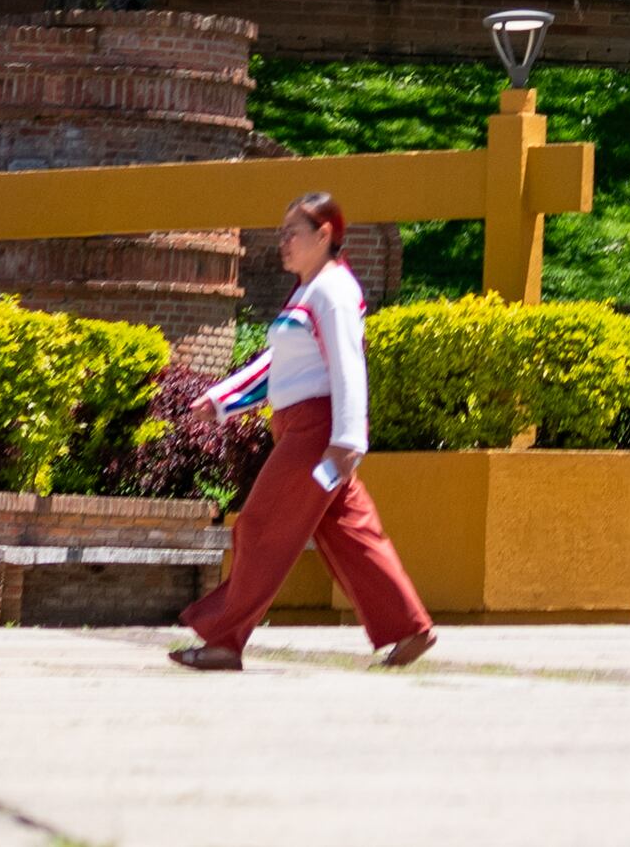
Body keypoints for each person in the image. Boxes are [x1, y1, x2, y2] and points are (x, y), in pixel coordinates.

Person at [171, 191, 434, 669]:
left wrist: (347, 441)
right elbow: (282, 363)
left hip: (316, 434)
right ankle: (409, 627)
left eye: (293, 232)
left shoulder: (332, 290)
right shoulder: (312, 290)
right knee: (350, 531)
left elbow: (349, 366)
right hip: (308, 429)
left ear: (325, 235)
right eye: (281, 233)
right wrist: (223, 399)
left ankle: (224, 640)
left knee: (260, 526)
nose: (283, 242)